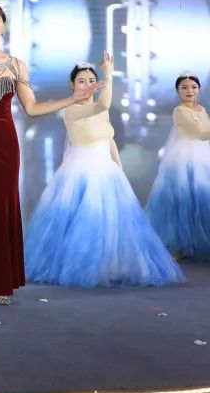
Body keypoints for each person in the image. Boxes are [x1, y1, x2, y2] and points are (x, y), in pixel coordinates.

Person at [0, 0, 100, 305]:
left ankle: (0, 283)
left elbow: (32, 108)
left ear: (3, 25)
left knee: (2, 208)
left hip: (5, 145)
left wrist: (72, 98)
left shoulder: (17, 65)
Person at [25, 57, 184, 287]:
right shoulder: (71, 110)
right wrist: (108, 74)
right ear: (72, 85)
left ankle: (111, 266)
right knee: (85, 220)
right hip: (81, 172)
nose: (87, 84)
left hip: (107, 171)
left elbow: (108, 139)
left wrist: (118, 166)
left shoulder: (101, 111)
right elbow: (102, 105)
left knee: (113, 222)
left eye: (91, 80)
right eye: (82, 81)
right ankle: (80, 267)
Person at [146, 73, 210, 262]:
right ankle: (176, 245)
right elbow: (200, 132)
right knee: (180, 202)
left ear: (199, 89)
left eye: (193, 87)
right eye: (184, 87)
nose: (189, 90)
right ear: (177, 90)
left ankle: (195, 243)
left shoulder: (202, 109)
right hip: (182, 159)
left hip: (202, 157)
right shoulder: (179, 111)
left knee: (200, 199)